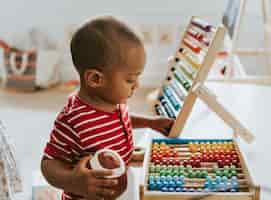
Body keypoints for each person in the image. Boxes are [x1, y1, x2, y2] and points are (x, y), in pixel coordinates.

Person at [40, 16, 174, 200]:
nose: (137, 86)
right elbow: (48, 163)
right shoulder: (73, 120)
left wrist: (151, 123)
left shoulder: (114, 102)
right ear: (95, 79)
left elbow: (119, 122)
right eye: (130, 80)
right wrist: (73, 181)